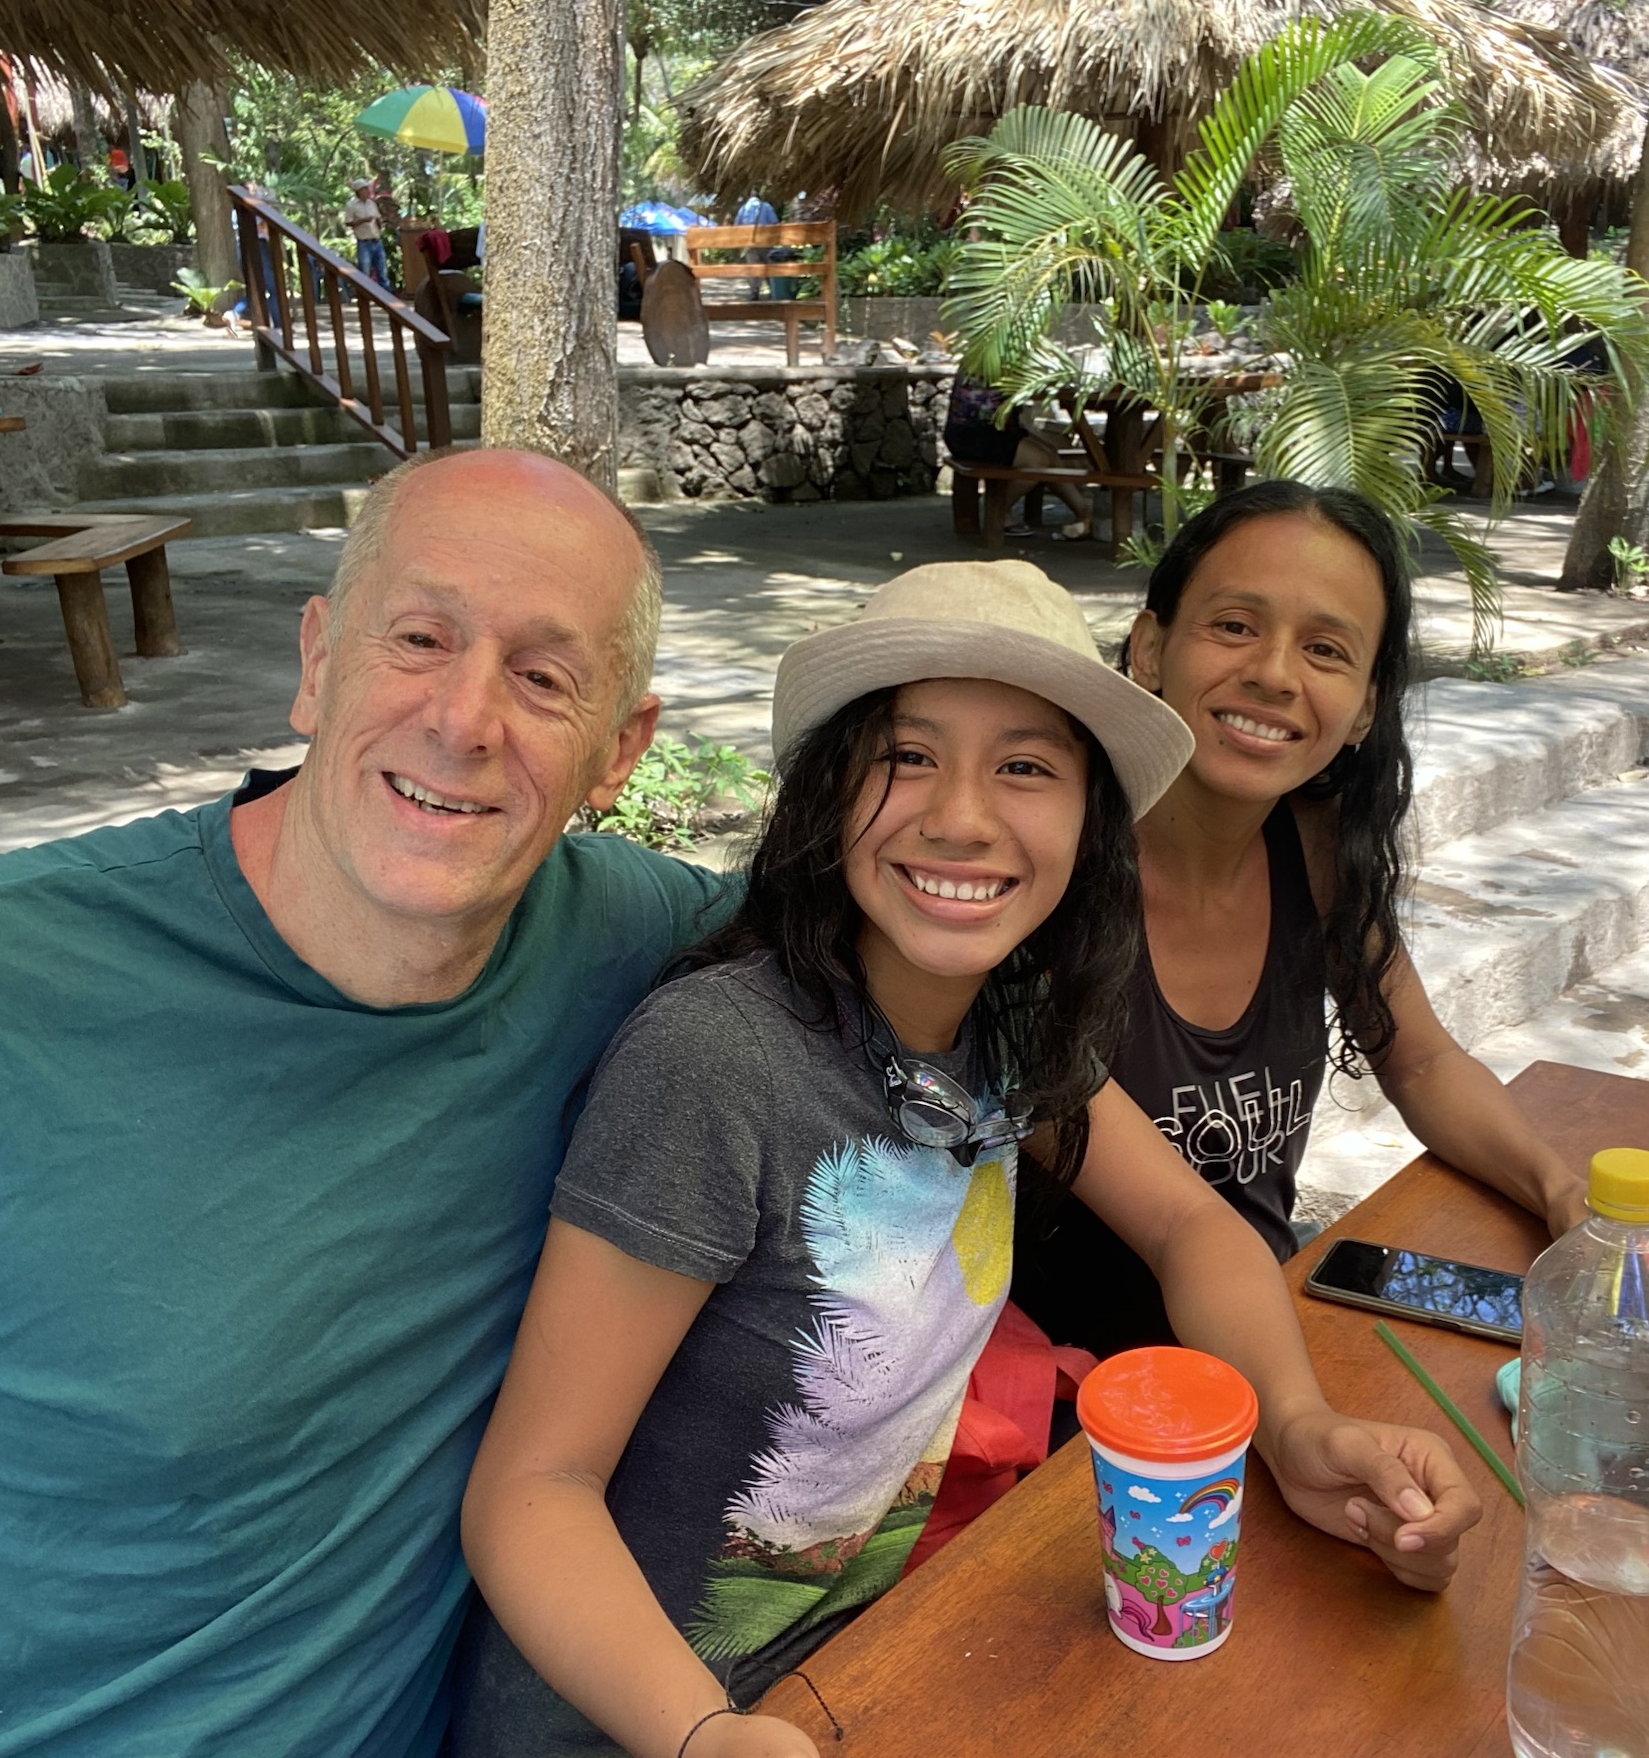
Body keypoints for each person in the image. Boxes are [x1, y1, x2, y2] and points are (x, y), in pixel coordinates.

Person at [0, 448, 733, 1758]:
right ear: (317, 663)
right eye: (419, 638)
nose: (463, 718)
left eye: (544, 678)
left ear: (620, 751)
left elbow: (916, 915)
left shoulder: (635, 941)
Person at [452, 558, 1480, 1758]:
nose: (960, 816)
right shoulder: (716, 1062)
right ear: (831, 790)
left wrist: (1297, 1431)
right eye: (907, 754)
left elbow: (1188, 1222)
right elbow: (532, 1488)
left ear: (1090, 821)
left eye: (1025, 766)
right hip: (638, 1723)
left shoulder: (1006, 1025)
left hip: (861, 1672)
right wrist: (704, 1734)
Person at [1015, 480, 1590, 1359]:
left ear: (1366, 706)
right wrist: (1296, 1410)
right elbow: (1182, 1225)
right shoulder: (1043, 878)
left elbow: (1422, 1059)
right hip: (1072, 1394)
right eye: (1234, 625)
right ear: (1150, 648)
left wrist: (1562, 1194)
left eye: (1325, 649)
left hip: (1269, 1334)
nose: (1274, 674)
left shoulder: (1315, 849)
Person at [942, 375, 1092, 540]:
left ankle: (1083, 513)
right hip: (973, 434)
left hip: (996, 428)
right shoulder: (993, 362)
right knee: (1037, 461)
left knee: (1050, 453)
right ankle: (1000, 514)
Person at [344, 174, 392, 290]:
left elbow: (377, 217)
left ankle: (386, 295)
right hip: (364, 242)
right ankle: (365, 295)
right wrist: (363, 220)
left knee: (382, 270)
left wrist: (381, 223)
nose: (367, 191)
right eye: (364, 189)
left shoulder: (371, 203)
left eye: (367, 189)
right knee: (364, 271)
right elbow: (348, 222)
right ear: (358, 191)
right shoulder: (351, 205)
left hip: (376, 240)